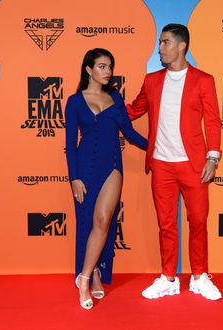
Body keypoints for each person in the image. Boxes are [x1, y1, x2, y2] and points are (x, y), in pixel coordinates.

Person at [127, 24, 223, 301]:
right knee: (166, 224)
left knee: (198, 222)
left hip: (193, 165)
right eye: (160, 43)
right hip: (161, 166)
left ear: (182, 46)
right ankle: (168, 278)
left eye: (165, 43)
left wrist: (212, 157)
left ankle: (199, 277)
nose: (160, 49)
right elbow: (134, 109)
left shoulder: (204, 80)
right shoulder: (152, 80)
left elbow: (213, 121)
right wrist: (101, 105)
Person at [65, 48, 148, 309]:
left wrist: (157, 148)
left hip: (113, 165)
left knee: (103, 220)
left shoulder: (115, 97)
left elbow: (130, 133)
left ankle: (85, 278)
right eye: (101, 66)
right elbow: (70, 142)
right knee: (87, 225)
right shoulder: (75, 101)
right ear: (88, 69)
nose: (107, 71)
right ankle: (94, 273)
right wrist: (74, 178)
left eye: (109, 66)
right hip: (85, 167)